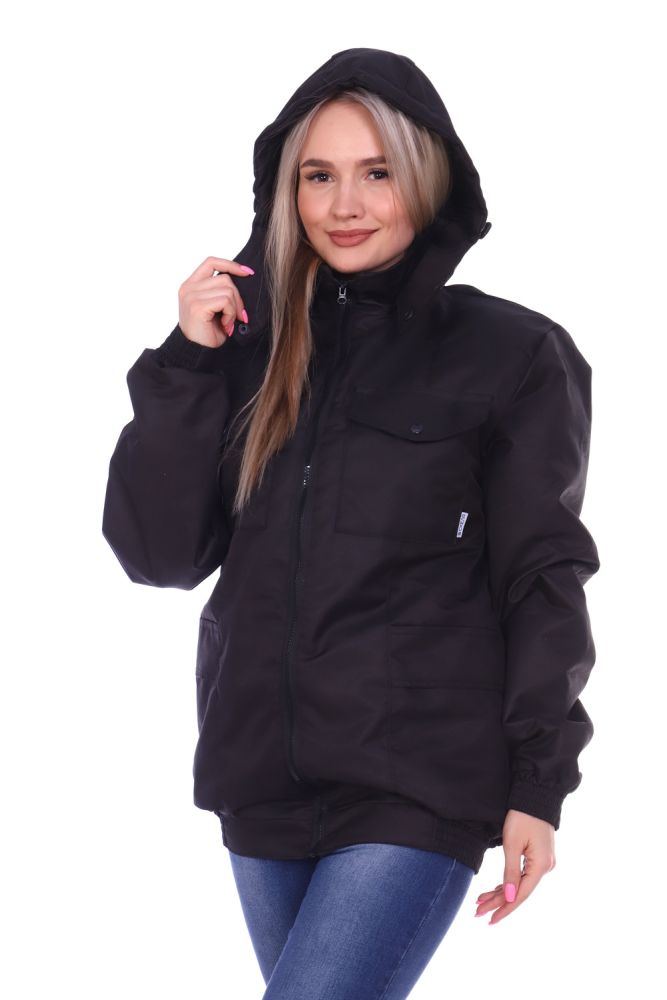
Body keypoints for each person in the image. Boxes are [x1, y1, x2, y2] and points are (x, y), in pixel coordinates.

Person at [102, 47, 600, 999]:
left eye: (376, 173)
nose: (343, 205)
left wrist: (539, 783)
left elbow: (541, 575)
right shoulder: (245, 348)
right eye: (317, 176)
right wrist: (189, 365)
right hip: (260, 778)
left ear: (426, 180)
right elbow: (158, 555)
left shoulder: (512, 353)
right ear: (284, 191)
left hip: (418, 778)